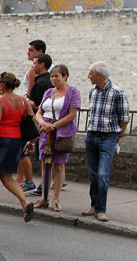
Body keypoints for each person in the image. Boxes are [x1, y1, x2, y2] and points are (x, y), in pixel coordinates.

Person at [0, 72, 35, 222]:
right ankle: (25, 202)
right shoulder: (23, 101)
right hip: (16, 141)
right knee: (8, 177)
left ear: (2, 84)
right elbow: (32, 122)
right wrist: (32, 142)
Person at [82, 61, 130, 222]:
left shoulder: (118, 93)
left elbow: (124, 119)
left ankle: (101, 209)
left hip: (108, 137)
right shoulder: (92, 92)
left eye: (90, 73)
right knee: (94, 174)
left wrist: (118, 137)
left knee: (102, 174)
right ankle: (94, 205)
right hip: (92, 135)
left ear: (99, 75)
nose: (88, 76)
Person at [33, 64, 80, 212]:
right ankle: (44, 197)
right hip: (45, 132)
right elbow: (39, 111)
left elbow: (72, 114)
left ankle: (56, 198)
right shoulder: (49, 92)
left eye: (56, 76)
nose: (53, 79)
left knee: (58, 165)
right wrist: (42, 123)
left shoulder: (73, 92)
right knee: (44, 164)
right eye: (52, 76)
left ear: (65, 76)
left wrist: (54, 126)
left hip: (60, 132)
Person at [19, 53, 53, 194]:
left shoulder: (40, 83)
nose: (33, 66)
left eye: (35, 63)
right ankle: (44, 185)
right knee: (44, 157)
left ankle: (42, 186)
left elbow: (38, 104)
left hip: (40, 122)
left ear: (42, 64)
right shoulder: (45, 81)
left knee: (42, 156)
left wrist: (24, 100)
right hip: (44, 121)